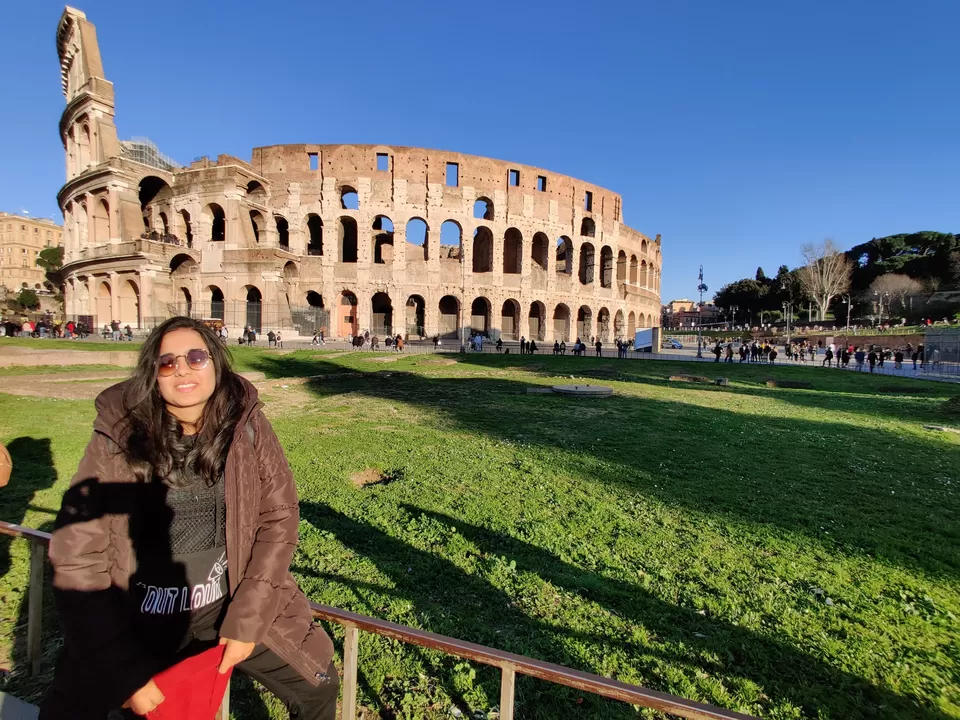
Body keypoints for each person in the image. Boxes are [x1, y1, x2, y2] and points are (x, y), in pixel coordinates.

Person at [39, 317, 338, 720]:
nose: (182, 368)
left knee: (318, 683)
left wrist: (248, 619)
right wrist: (122, 669)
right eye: (167, 362)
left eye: (196, 357)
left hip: (226, 600)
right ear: (154, 375)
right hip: (141, 613)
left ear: (215, 363)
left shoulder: (246, 425)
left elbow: (278, 518)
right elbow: (78, 556)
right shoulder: (120, 436)